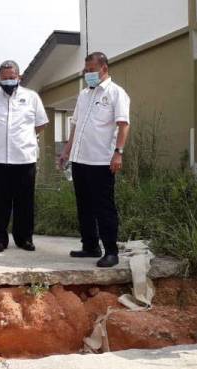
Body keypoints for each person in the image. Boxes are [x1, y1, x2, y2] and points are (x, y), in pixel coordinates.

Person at [59, 52, 130, 268]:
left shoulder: (116, 94)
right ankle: (90, 245)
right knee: (84, 206)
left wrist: (119, 152)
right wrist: (66, 151)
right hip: (80, 159)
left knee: (103, 207)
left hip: (101, 161)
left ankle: (111, 251)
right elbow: (76, 125)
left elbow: (123, 124)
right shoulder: (84, 95)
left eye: (91, 70)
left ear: (104, 69)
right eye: (85, 70)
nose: (88, 74)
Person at [0, 60, 48, 252]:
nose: (8, 81)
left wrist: (23, 137)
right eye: (4, 78)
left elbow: (40, 124)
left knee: (24, 201)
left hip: (24, 158)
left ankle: (24, 238)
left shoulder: (31, 97)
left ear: (19, 77)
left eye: (12, 78)